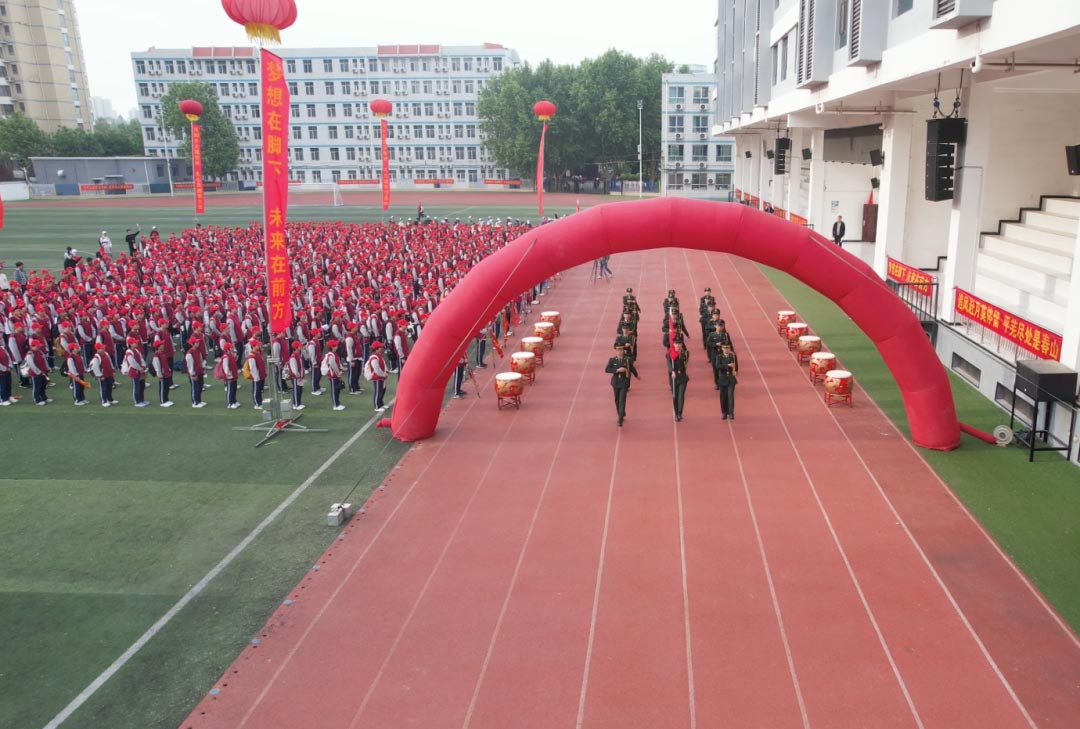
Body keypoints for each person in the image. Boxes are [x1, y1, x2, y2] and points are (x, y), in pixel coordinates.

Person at [604, 343, 639, 427]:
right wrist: (617, 370)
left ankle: (620, 420)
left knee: (622, 400)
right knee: (617, 400)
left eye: (621, 350)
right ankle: (621, 413)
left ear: (623, 351)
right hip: (615, 383)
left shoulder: (627, 360)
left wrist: (637, 375)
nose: (620, 352)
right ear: (616, 351)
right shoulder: (612, 360)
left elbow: (632, 368)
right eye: (618, 350)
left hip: (624, 383)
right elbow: (607, 369)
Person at [122, 336, 150, 407]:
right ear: (130, 344)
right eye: (134, 342)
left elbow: (141, 359)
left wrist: (143, 366)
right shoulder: (129, 352)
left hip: (140, 371)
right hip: (134, 372)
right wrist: (140, 369)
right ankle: (137, 401)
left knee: (142, 386)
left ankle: (141, 400)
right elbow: (132, 363)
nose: (136, 343)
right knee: (136, 387)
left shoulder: (136, 350)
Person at [89, 342, 117, 407]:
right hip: (102, 375)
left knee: (109, 387)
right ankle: (104, 401)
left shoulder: (106, 354)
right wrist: (99, 376)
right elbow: (95, 367)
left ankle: (110, 399)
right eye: (102, 348)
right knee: (103, 388)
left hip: (109, 374)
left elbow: (110, 362)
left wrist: (112, 370)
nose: (104, 348)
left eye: (103, 347)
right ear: (98, 349)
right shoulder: (96, 357)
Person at [716, 342, 739, 420]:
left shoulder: (733, 356)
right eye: (725, 348)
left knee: (730, 396)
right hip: (723, 378)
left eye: (728, 348)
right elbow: (717, 366)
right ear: (722, 349)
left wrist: (736, 371)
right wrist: (727, 365)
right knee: (723, 397)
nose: (727, 350)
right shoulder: (719, 357)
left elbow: (736, 366)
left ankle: (731, 412)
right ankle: (724, 412)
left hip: (731, 379)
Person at [322, 339, 345, 410]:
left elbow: (338, 363)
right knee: (334, 390)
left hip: (335, 375)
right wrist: (338, 373)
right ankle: (336, 405)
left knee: (337, 389)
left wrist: (341, 370)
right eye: (335, 345)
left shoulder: (334, 353)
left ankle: (337, 403)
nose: (337, 346)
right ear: (332, 347)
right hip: (333, 375)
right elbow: (333, 365)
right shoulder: (331, 355)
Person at [669, 339, 689, 422]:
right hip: (674, 378)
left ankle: (679, 413)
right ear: (673, 345)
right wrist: (672, 371)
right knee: (675, 396)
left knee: (681, 395)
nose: (678, 345)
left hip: (683, 377)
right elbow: (669, 364)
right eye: (676, 344)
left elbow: (684, 364)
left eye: (679, 344)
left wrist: (678, 354)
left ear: (681, 345)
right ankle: (676, 412)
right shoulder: (669, 354)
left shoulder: (685, 353)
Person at [27, 338, 51, 405]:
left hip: (43, 372)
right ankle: (37, 400)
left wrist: (47, 368)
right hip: (35, 374)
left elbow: (44, 360)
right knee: (37, 387)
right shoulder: (30, 354)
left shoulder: (39, 352)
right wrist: (38, 372)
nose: (38, 347)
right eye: (37, 346)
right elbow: (31, 365)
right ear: (33, 346)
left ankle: (44, 398)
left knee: (43, 385)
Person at [366, 341, 389, 412]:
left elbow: (383, 365)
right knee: (378, 391)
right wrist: (384, 374)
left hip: (381, 376)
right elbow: (377, 369)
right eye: (380, 347)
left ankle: (380, 404)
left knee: (382, 390)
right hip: (377, 377)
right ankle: (377, 406)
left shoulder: (379, 356)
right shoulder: (374, 358)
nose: (382, 348)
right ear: (376, 349)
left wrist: (386, 372)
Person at [151, 338, 174, 407]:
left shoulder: (162, 353)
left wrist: (168, 370)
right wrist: (159, 374)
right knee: (163, 388)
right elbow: (157, 366)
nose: (163, 346)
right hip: (162, 374)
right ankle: (162, 401)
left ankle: (166, 399)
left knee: (166, 387)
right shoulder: (156, 355)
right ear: (158, 347)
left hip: (166, 373)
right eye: (161, 345)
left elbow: (165, 363)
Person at [185, 337, 207, 408]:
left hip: (199, 371)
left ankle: (199, 400)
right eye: (196, 342)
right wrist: (193, 374)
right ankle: (195, 402)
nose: (198, 343)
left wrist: (203, 368)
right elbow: (190, 365)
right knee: (195, 387)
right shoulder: (189, 353)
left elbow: (201, 360)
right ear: (192, 344)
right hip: (194, 373)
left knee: (200, 387)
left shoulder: (198, 351)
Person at [247, 338, 266, 409]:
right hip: (256, 376)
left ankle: (260, 402)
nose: (259, 346)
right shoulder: (252, 356)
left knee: (259, 390)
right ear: (253, 346)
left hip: (260, 375)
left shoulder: (257, 353)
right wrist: (256, 377)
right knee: (256, 390)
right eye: (257, 345)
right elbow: (253, 368)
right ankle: (257, 404)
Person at [286, 341, 305, 410]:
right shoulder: (293, 356)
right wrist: (298, 375)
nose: (301, 347)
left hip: (300, 376)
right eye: (300, 346)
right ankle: (296, 404)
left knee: (300, 389)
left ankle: (298, 402)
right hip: (296, 377)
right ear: (296, 348)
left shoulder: (298, 355)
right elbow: (294, 368)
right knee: (297, 389)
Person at [221, 341, 240, 408]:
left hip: (233, 375)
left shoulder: (230, 355)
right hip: (230, 376)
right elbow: (225, 367)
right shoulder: (225, 356)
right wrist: (228, 374)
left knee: (234, 388)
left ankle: (234, 401)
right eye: (231, 347)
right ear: (228, 349)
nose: (232, 348)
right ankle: (230, 403)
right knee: (230, 389)